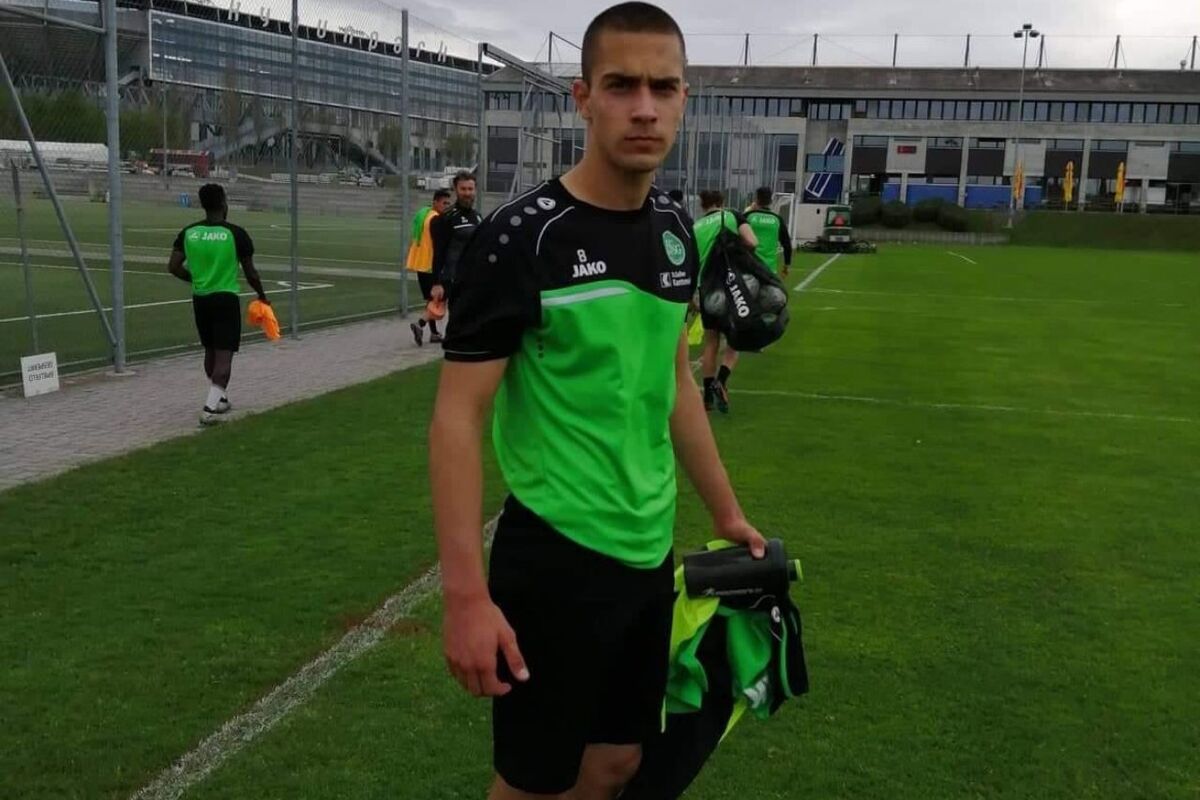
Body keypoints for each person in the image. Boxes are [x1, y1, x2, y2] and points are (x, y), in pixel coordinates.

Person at [429, 4, 767, 799]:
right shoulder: (521, 239)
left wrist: (725, 513)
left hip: (648, 553)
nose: (644, 107)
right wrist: (466, 597)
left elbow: (672, 381)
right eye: (621, 86)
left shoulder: (675, 230)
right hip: (555, 556)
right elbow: (456, 419)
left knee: (616, 763)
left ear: (683, 99)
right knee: (533, 783)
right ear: (583, 98)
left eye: (662, 87)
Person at [168, 183, 269, 426]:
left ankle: (220, 398)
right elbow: (251, 273)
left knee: (210, 350)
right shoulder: (236, 233)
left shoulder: (189, 232)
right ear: (224, 203)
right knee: (225, 355)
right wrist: (261, 295)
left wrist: (196, 279)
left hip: (201, 298)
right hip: (225, 298)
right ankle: (209, 410)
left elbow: (173, 266)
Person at [693, 189, 757, 414]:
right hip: (729, 286)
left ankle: (707, 397)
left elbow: (691, 264)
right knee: (735, 340)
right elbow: (752, 242)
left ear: (702, 205)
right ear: (722, 202)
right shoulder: (731, 216)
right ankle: (721, 381)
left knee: (711, 342)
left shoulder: (695, 228)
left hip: (705, 289)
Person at [429, 170, 483, 341]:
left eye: (470, 189)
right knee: (457, 321)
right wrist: (436, 283)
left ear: (475, 190)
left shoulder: (478, 217)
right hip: (454, 280)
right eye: (463, 189)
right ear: (455, 190)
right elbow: (438, 252)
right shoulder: (446, 219)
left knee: (473, 320)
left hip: (474, 279)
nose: (467, 193)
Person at [408, 188, 453, 346]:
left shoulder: (424, 214)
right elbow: (439, 246)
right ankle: (420, 324)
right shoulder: (436, 220)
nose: (446, 206)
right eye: (444, 203)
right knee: (440, 300)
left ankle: (434, 333)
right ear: (435, 202)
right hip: (432, 265)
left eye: (448, 203)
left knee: (431, 299)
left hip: (421, 263)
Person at [745, 186, 793, 278]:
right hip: (769, 270)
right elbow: (787, 245)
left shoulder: (748, 216)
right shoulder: (777, 219)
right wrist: (786, 265)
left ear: (756, 200)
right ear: (771, 201)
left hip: (750, 268)